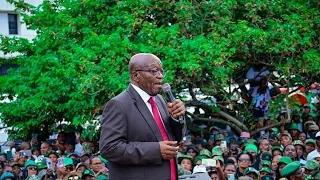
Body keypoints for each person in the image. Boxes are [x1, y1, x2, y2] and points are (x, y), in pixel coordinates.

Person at [99, 53, 186, 180]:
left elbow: (175, 139)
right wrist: (156, 151)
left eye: (161, 71)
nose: (160, 76)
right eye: (154, 71)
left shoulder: (160, 100)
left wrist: (177, 118)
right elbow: (109, 148)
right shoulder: (119, 104)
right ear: (136, 75)